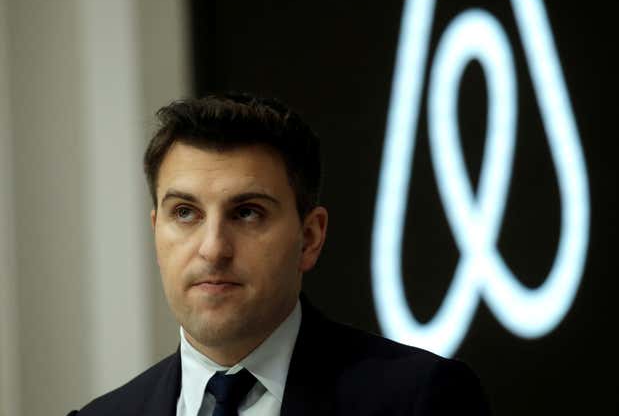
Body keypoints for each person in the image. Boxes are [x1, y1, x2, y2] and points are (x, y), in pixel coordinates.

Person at [68, 93, 491, 415]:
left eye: (247, 213)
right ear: (155, 231)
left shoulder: (420, 400)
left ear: (310, 237)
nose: (213, 248)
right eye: (185, 212)